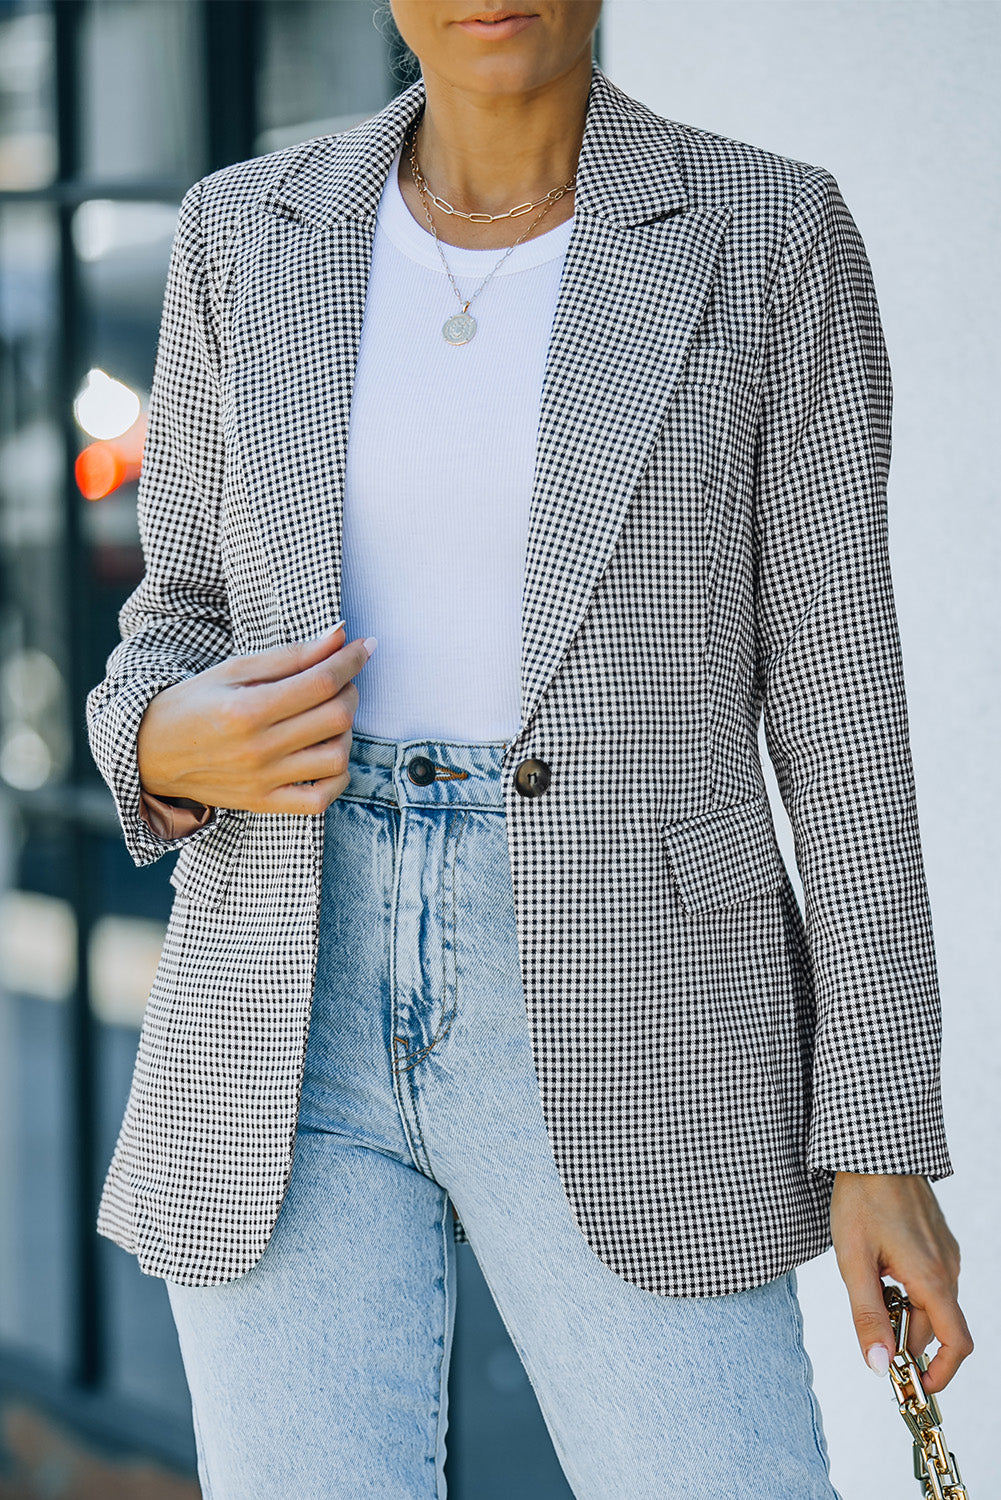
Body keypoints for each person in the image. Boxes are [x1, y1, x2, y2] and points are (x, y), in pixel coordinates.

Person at [86, 3, 972, 1496]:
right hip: (279, 987)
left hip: (643, 990)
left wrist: (878, 1127)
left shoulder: (768, 232)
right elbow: (178, 615)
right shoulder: (243, 231)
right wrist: (166, 741)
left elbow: (841, 711)